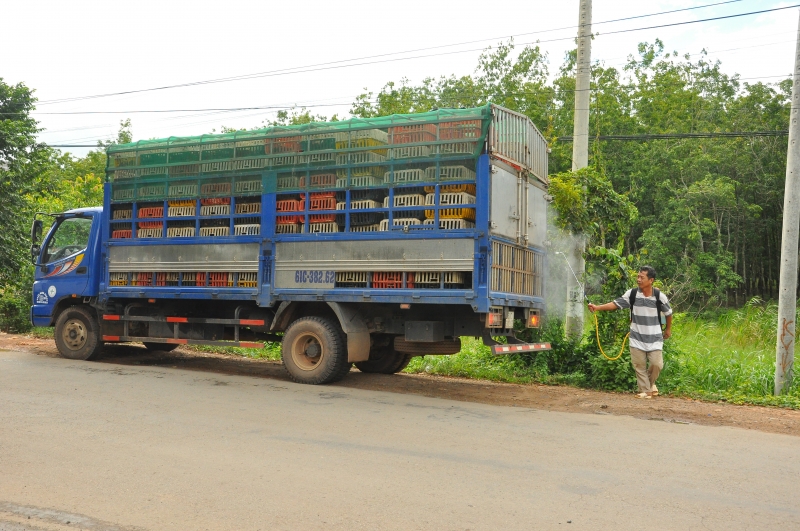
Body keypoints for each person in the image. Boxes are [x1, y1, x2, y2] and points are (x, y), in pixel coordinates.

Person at [588, 266, 673, 399]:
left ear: (651, 280)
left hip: (655, 337)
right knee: (639, 366)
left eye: (642, 277)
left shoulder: (659, 297)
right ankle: (646, 391)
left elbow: (669, 313)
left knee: (657, 364)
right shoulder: (632, 294)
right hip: (636, 337)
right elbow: (615, 304)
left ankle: (649, 386)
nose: (638, 279)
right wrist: (597, 307)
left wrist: (668, 329)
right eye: (638, 277)